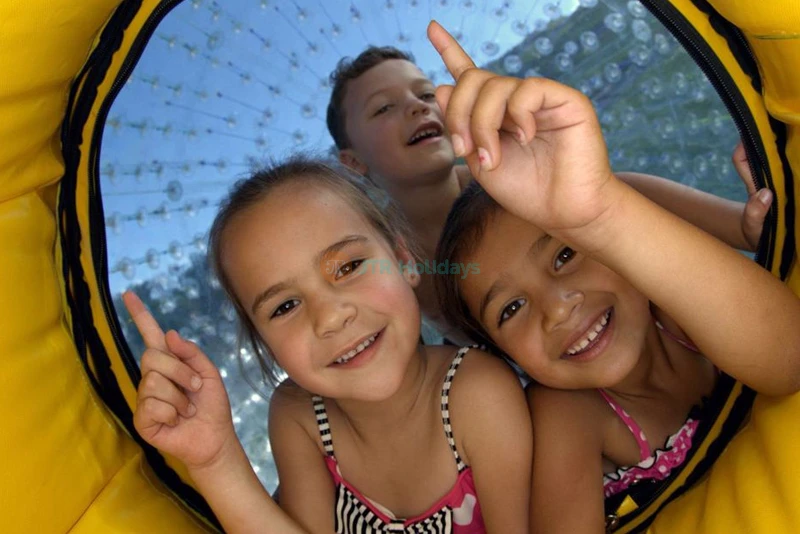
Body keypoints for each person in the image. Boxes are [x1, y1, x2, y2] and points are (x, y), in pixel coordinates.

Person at [427, 20, 800, 534]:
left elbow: (791, 356)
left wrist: (601, 212)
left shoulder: (677, 305)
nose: (557, 309)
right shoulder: (568, 412)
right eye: (510, 310)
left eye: (564, 257)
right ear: (508, 357)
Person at [123, 155, 532, 533]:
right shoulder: (299, 416)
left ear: (404, 259)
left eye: (350, 267)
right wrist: (214, 461)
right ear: (265, 345)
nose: (331, 317)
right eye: (285, 306)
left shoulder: (478, 393)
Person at [325, 46, 771, 344]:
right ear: (352, 163)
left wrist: (744, 226)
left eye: (425, 92)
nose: (418, 106)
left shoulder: (507, 172)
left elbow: (616, 198)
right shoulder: (382, 266)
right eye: (384, 108)